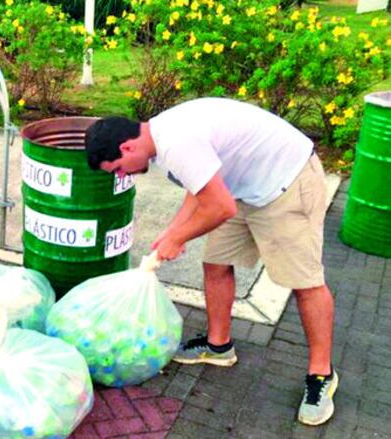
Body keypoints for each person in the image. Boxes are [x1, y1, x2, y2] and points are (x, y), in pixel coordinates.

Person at [85, 97, 337, 426]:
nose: (123, 175)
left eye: (117, 168)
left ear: (128, 147)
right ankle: (219, 346)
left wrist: (180, 238)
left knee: (305, 283)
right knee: (216, 263)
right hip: (238, 187)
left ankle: (322, 374)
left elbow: (220, 208)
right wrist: (173, 231)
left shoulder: (175, 142)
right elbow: (199, 186)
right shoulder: (160, 139)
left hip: (286, 185)